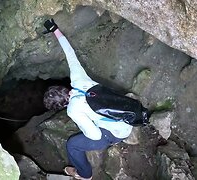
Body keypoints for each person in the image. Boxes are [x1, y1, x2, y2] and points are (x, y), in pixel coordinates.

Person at [43, 19, 133, 180]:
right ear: (63, 89)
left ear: (60, 107)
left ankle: (84, 175)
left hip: (118, 132)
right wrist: (55, 29)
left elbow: (95, 135)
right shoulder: (79, 79)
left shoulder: (72, 110)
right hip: (126, 114)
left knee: (72, 144)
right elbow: (70, 54)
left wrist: (88, 127)